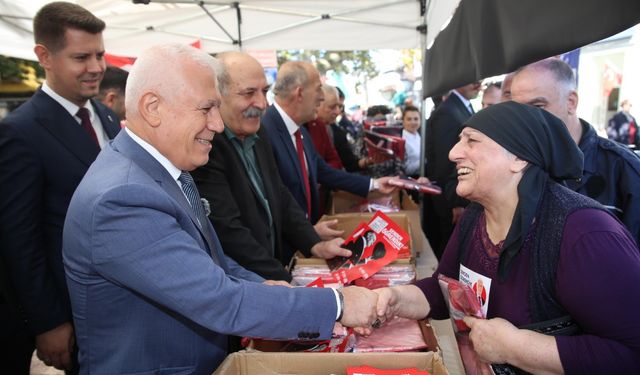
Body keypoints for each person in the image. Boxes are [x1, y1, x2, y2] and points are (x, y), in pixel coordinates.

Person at [62, 44, 379, 375]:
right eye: (206, 108)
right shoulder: (124, 197)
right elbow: (219, 300)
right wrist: (338, 304)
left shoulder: (162, 169)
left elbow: (209, 259)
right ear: (153, 108)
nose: (216, 123)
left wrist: (262, 285)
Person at [373, 102, 640, 374]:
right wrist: (395, 298)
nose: (454, 153)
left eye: (472, 141)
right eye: (458, 140)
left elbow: (632, 353)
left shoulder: (586, 234)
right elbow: (444, 290)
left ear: (519, 158)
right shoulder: (473, 218)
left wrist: (516, 348)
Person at [0, 2, 121, 372]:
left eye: (100, 54)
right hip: (73, 311)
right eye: (82, 57)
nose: (97, 67)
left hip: (122, 305)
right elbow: (20, 240)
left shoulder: (108, 117)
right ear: (44, 56)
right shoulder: (20, 131)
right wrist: (48, 321)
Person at [191, 52, 350, 281]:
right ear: (217, 97)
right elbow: (229, 232)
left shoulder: (258, 132)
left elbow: (279, 194)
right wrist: (288, 284)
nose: (262, 104)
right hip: (248, 283)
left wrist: (314, 244)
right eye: (248, 93)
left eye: (264, 91)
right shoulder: (207, 148)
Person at [511, 58, 640, 245]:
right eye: (518, 110)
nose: (526, 119)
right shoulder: (512, 162)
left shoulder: (623, 167)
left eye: (538, 106)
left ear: (571, 102)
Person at [261, 61, 397, 224]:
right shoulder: (264, 132)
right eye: (318, 88)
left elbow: (323, 171)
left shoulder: (300, 131)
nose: (322, 97)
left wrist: (374, 185)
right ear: (299, 93)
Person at [425, 81, 481, 258]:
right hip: (451, 198)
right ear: (458, 78)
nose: (478, 83)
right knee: (450, 252)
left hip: (458, 194)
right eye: (472, 78)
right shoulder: (447, 112)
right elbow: (445, 161)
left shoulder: (461, 107)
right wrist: (455, 201)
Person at [304, 84, 344, 170]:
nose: (337, 112)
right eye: (332, 107)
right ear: (318, 104)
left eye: (339, 106)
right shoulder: (304, 125)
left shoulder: (323, 127)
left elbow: (335, 160)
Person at [401, 105, 421, 177]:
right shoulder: (402, 140)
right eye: (409, 119)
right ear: (403, 121)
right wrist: (424, 160)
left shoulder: (419, 136)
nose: (413, 122)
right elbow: (406, 169)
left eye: (416, 119)